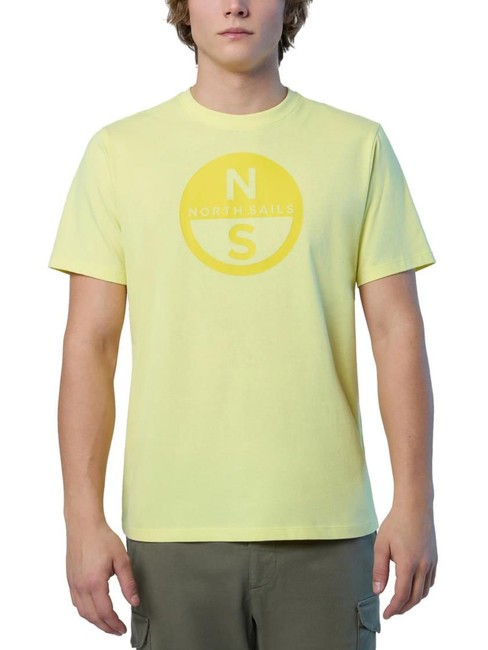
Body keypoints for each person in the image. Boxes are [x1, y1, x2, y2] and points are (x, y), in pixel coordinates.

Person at [47, 1, 438, 648]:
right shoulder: (120, 152)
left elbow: (398, 332)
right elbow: (90, 345)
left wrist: (416, 500)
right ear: (184, 8)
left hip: (327, 527)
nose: (235, 4)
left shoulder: (357, 146)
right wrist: (81, 518)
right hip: (170, 532)